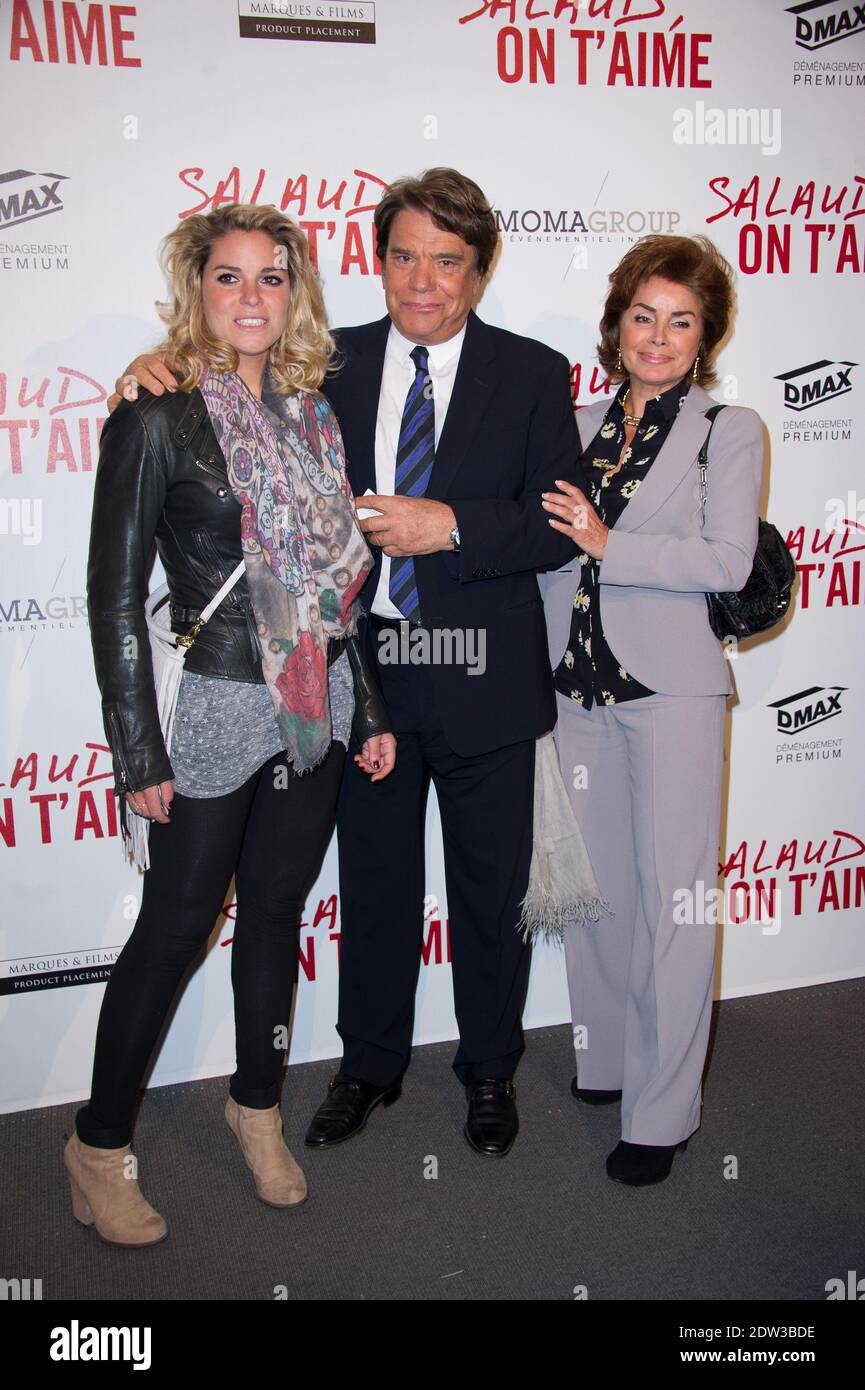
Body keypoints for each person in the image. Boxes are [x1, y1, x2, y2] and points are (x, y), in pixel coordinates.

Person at [121, 168, 582, 1158]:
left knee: (487, 894)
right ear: (378, 263)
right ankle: (368, 1063)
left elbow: (557, 525)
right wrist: (153, 366)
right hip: (353, 681)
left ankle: (488, 1068)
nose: (423, 281)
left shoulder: (537, 374)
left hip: (485, 677)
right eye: (403, 256)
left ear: (480, 268)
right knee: (371, 884)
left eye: (446, 261)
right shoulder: (322, 365)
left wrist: (450, 526)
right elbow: (227, 387)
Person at [67, 204, 395, 1247]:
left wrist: (370, 705)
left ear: (293, 293)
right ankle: (97, 1145)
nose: (250, 297)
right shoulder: (156, 414)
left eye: (270, 278)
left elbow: (340, 587)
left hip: (320, 706)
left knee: (275, 916)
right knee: (174, 927)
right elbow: (114, 595)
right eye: (228, 277)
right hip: (216, 704)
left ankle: (256, 1107)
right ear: (196, 290)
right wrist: (135, 752)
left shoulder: (315, 416)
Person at [539, 234, 763, 1186]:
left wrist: (604, 543)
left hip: (670, 695)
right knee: (596, 896)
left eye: (681, 320)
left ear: (703, 332)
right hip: (572, 689)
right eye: (643, 315)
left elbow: (727, 562)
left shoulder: (729, 429)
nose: (659, 336)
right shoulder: (574, 418)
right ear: (616, 322)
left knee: (675, 903)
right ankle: (610, 1059)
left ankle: (662, 1114)